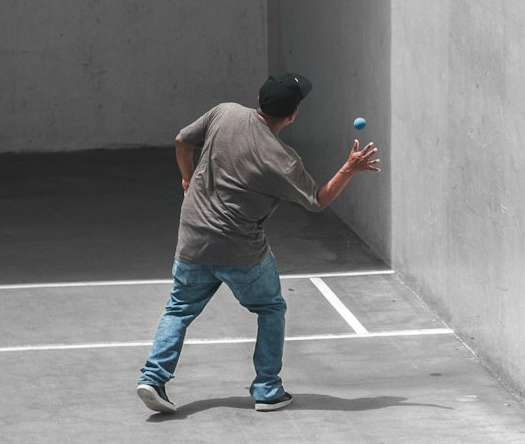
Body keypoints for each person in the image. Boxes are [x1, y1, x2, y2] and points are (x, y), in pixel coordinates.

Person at [136, 73, 380, 415]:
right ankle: (267, 389)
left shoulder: (224, 112)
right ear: (293, 115)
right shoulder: (283, 160)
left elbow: (181, 140)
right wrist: (349, 169)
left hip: (192, 239)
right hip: (241, 252)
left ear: (258, 98)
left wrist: (188, 178)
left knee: (178, 309)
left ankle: (153, 377)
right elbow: (316, 201)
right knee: (270, 308)